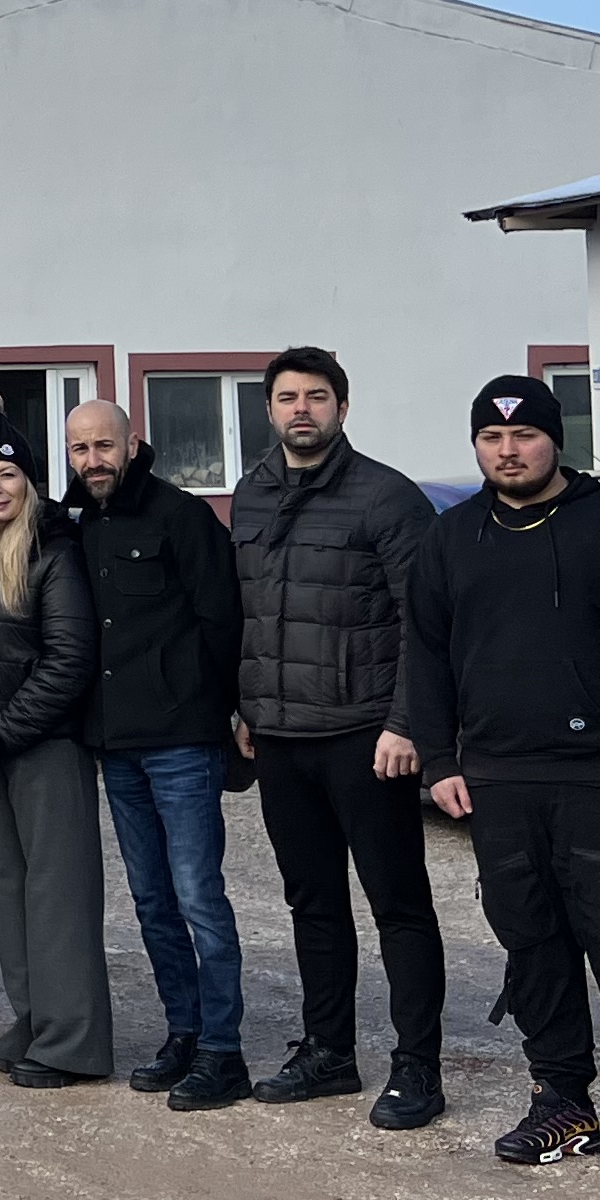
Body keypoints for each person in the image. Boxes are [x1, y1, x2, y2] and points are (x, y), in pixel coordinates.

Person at [405, 373, 600, 1182]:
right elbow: (424, 654)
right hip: (498, 775)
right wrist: (439, 760)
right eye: (492, 438)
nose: (509, 451)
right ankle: (563, 1104)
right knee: (531, 944)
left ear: (554, 440)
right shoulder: (451, 537)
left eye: (525, 435)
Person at [229, 346, 445, 1129]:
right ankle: (329, 1052)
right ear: (269, 409)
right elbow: (247, 611)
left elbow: (427, 623)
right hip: (281, 738)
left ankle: (417, 1066)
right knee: (312, 903)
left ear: (342, 408)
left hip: (366, 738)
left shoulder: (387, 497)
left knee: (399, 905)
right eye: (288, 397)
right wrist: (244, 707)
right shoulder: (251, 494)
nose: (302, 410)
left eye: (317, 397)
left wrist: (405, 723)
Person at [60, 398, 251, 1110]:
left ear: (132, 444)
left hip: (181, 741)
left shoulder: (181, 516)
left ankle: (223, 1051)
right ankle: (184, 1033)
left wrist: (230, 713)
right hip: (116, 746)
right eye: (80, 449)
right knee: (151, 901)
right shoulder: (76, 524)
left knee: (199, 895)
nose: (93, 460)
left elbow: (222, 621)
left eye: (104, 446)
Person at [0, 393, 112, 1085]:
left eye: (8, 476)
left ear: (29, 483)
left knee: (58, 894)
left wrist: (3, 732)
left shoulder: (51, 554)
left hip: (43, 749)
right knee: (7, 888)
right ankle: (36, 1017)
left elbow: (69, 659)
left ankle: (74, 1043)